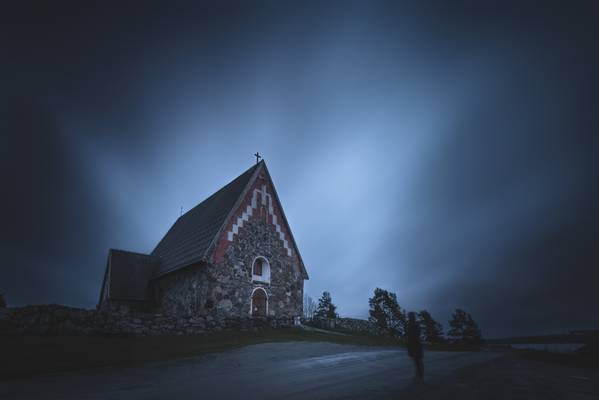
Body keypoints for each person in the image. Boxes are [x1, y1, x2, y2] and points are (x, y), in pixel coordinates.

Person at [406, 312, 424, 382]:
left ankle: (421, 377)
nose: (409, 318)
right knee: (416, 361)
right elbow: (410, 336)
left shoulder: (415, 325)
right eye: (409, 316)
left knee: (418, 361)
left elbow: (416, 335)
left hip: (416, 345)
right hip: (413, 345)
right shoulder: (411, 325)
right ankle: (418, 376)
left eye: (410, 316)